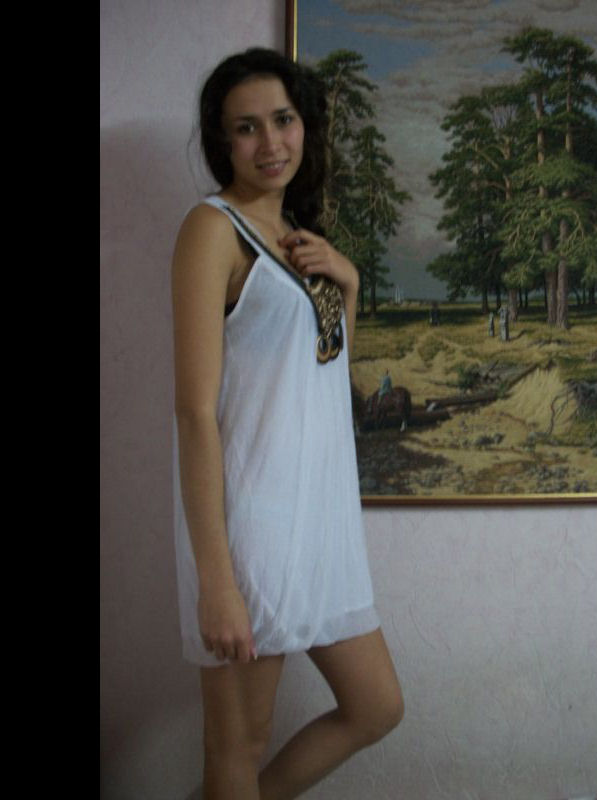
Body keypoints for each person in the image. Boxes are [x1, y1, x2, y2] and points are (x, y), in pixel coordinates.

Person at [171, 47, 403, 799]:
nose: (270, 142)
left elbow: (326, 373)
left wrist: (349, 283)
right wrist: (217, 581)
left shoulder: (300, 241)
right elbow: (194, 412)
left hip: (321, 526)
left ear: (306, 126)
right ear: (222, 140)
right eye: (247, 127)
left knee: (376, 707)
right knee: (238, 745)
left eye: (283, 119)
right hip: (254, 533)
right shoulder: (213, 229)